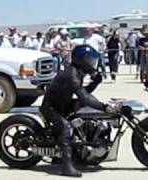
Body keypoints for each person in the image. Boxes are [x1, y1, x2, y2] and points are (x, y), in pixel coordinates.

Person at [40, 45, 118, 177]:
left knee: (84, 114)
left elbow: (83, 93)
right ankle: (66, 167)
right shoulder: (71, 75)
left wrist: (95, 83)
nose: (92, 63)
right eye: (89, 60)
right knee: (66, 128)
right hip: (52, 107)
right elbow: (85, 97)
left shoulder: (77, 72)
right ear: (80, 59)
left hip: (63, 104)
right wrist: (104, 107)